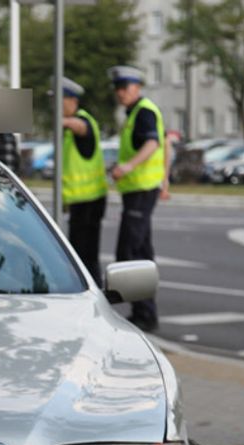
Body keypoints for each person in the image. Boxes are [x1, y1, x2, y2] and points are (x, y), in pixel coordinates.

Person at [108, 65, 165, 331]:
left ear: (137, 88)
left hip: (142, 190)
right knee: (142, 252)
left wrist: (128, 166)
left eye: (125, 88)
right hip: (139, 190)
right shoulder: (136, 113)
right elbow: (168, 144)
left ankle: (142, 312)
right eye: (118, 89)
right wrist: (166, 179)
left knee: (129, 252)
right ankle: (145, 314)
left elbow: (154, 143)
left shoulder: (143, 112)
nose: (121, 93)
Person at [57, 77, 108, 285]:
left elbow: (80, 127)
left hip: (90, 201)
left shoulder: (83, 121)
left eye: (59, 101)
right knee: (80, 254)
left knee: (85, 256)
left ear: (71, 101)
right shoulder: (69, 130)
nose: (56, 107)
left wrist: (63, 122)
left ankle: (93, 293)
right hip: (81, 202)